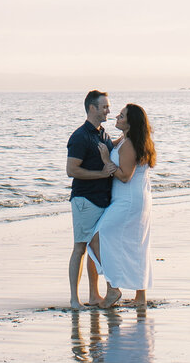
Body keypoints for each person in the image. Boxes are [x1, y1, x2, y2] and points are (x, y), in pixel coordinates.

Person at [88, 102, 155, 309]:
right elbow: (110, 144)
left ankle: (113, 288)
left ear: (131, 122)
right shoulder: (128, 140)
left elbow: (125, 176)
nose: (117, 117)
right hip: (136, 198)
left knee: (96, 239)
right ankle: (140, 297)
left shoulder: (130, 144)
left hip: (128, 200)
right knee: (136, 244)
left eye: (122, 115)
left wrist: (107, 160)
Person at [66, 89, 114, 309]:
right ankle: (75, 299)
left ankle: (94, 295)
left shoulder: (102, 134)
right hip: (85, 201)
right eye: (104, 106)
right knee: (80, 248)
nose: (108, 110)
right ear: (92, 108)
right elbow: (72, 170)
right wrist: (101, 175)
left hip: (102, 200)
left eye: (108, 106)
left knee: (96, 250)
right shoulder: (79, 137)